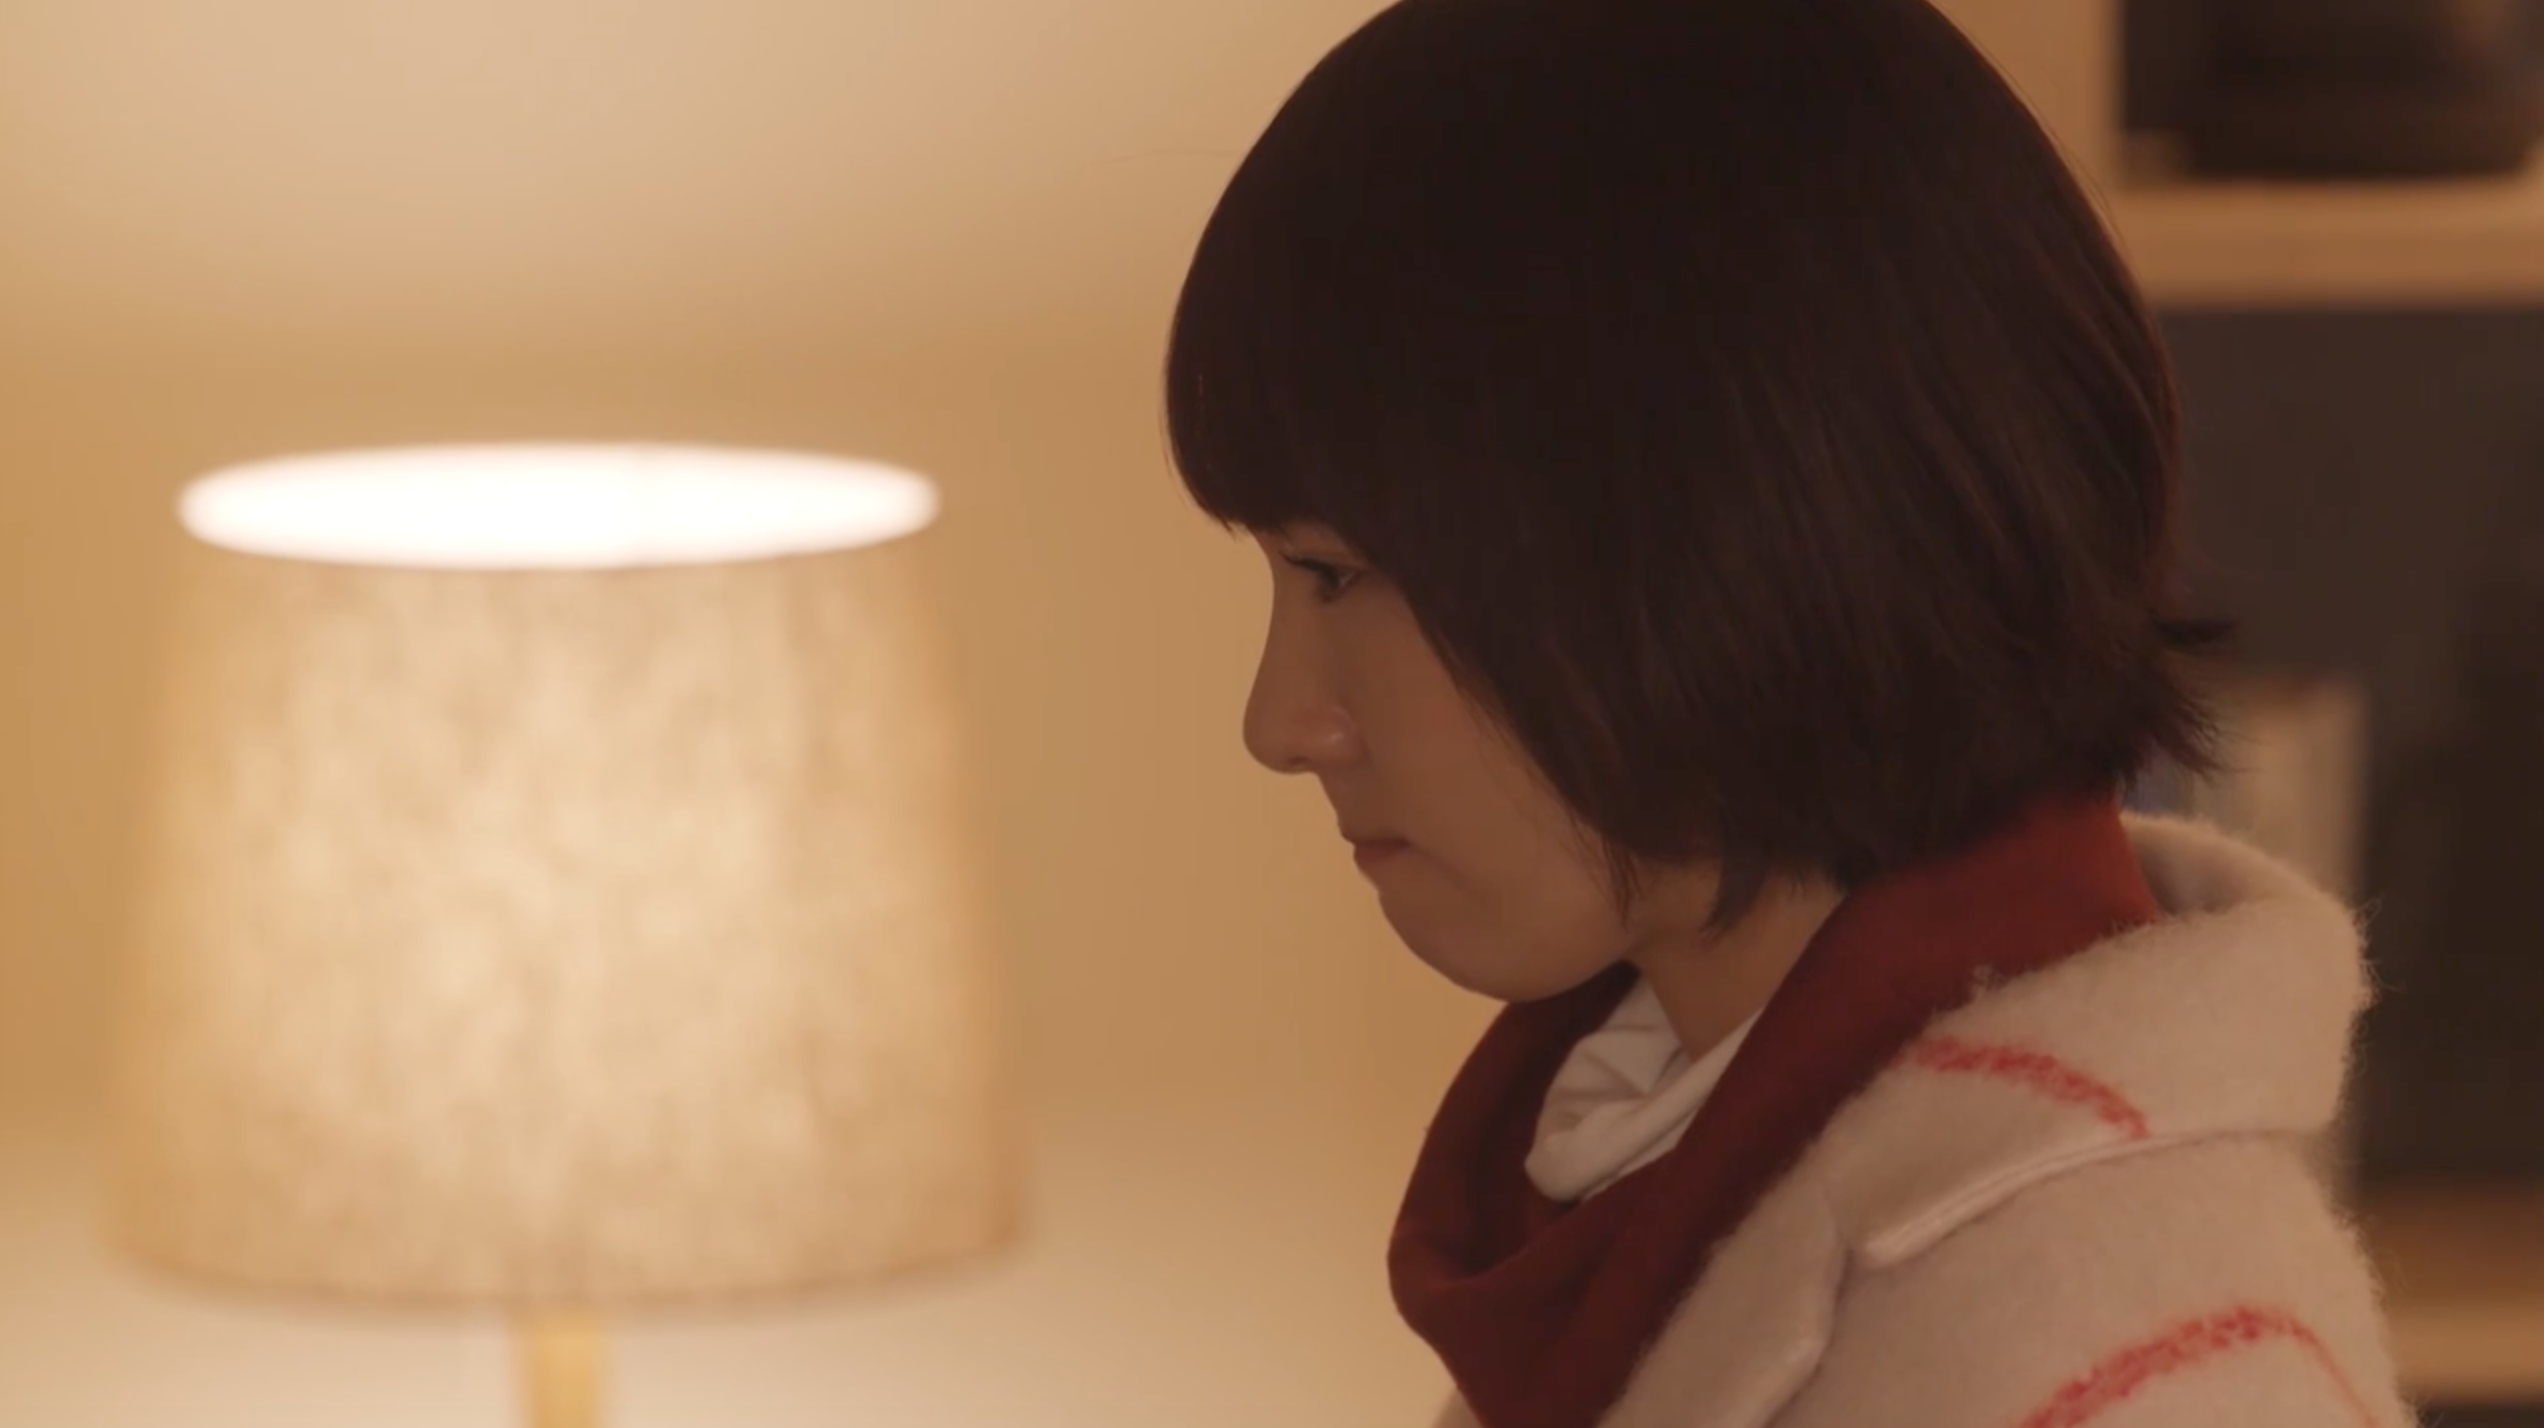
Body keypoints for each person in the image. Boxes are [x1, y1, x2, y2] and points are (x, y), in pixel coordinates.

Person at [1162, 2, 2415, 1427]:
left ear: (1727, 525)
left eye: (1335, 575)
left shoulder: (2135, 1369)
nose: (1283, 721)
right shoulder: (1674, 1183)